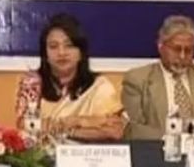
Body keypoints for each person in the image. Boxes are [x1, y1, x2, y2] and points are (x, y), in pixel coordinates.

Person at [120, 15, 194, 140]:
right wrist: (173, 141)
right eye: (176, 49)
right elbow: (133, 129)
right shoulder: (137, 80)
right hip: (157, 149)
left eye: (188, 50)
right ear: (160, 46)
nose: (182, 56)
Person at [15, 13, 125, 141]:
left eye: (69, 45)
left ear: (81, 52)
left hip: (87, 153)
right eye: (53, 46)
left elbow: (114, 131)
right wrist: (81, 124)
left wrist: (76, 124)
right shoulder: (32, 83)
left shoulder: (99, 86)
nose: (61, 53)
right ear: (45, 55)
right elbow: (26, 126)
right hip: (43, 153)